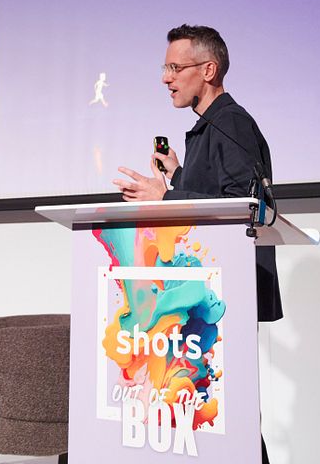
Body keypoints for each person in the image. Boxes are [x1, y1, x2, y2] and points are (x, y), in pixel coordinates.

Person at [113, 24, 281, 464]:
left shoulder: (231, 123)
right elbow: (215, 198)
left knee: (231, 412)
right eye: (165, 67)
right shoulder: (210, 127)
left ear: (208, 70)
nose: (166, 78)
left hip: (229, 289)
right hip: (211, 288)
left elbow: (244, 205)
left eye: (175, 67)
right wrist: (178, 175)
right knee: (214, 411)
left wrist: (165, 197)